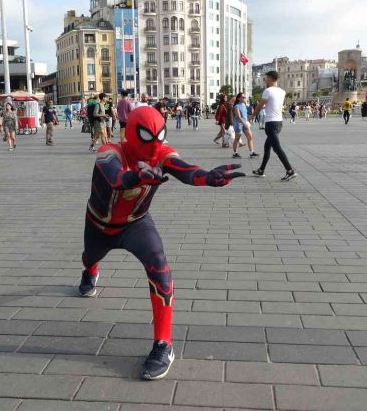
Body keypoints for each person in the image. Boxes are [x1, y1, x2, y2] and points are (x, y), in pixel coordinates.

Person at [78, 106, 244, 380]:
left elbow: (185, 170)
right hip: (99, 225)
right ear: (132, 134)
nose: (155, 147)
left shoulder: (161, 153)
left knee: (159, 266)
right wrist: (138, 176)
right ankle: (90, 270)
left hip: (136, 223)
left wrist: (209, 178)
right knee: (90, 256)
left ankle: (163, 344)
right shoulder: (110, 151)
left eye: (159, 137)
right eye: (147, 137)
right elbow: (115, 177)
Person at [249, 70, 297, 181]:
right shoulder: (282, 91)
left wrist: (251, 116)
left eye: (266, 78)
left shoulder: (267, 91)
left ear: (270, 79)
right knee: (267, 147)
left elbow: (260, 105)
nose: (265, 81)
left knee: (277, 148)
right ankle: (261, 170)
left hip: (271, 123)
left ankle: (290, 171)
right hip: (279, 123)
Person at [232, 92, 257, 158]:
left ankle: (252, 152)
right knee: (237, 139)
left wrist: (249, 120)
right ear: (239, 98)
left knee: (250, 137)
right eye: (243, 97)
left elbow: (246, 115)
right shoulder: (236, 106)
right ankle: (235, 153)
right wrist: (244, 124)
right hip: (239, 124)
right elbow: (238, 117)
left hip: (245, 123)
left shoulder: (244, 105)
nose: (244, 98)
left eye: (245, 97)